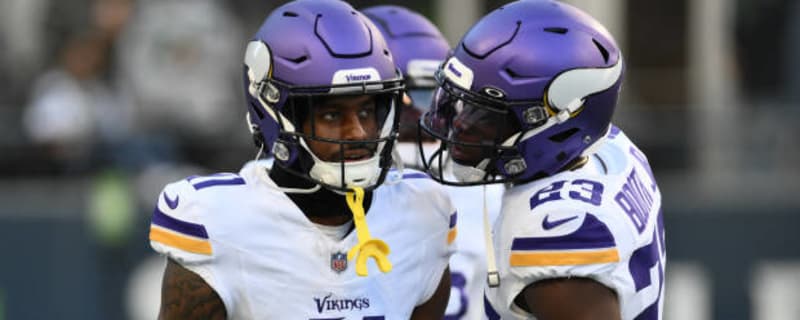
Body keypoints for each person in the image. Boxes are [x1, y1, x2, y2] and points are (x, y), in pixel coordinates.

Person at [147, 0, 456, 319]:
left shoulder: (423, 212)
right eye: (333, 114)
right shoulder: (217, 220)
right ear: (273, 114)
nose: (358, 132)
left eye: (367, 110)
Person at [417, 1, 665, 319]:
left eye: (486, 113)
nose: (461, 124)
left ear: (558, 120)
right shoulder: (611, 148)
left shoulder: (556, 230)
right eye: (463, 103)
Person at [362, 5, 503, 320]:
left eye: (437, 101)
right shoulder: (491, 196)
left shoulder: (492, 198)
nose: (429, 122)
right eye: (409, 103)